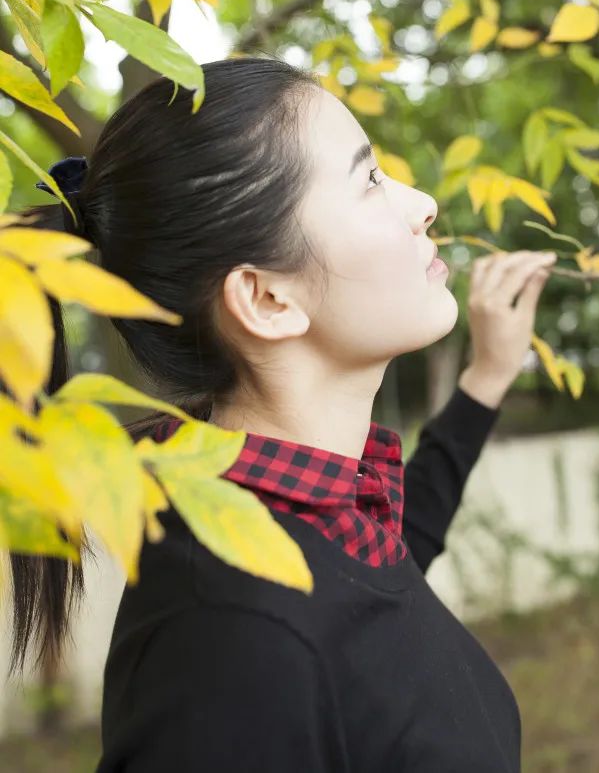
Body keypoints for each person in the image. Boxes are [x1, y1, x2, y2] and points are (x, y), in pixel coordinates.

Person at [7, 55, 557, 771]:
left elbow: (364, 594)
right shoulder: (228, 638)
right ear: (267, 299)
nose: (422, 202)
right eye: (369, 180)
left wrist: (487, 379)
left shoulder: (300, 525)